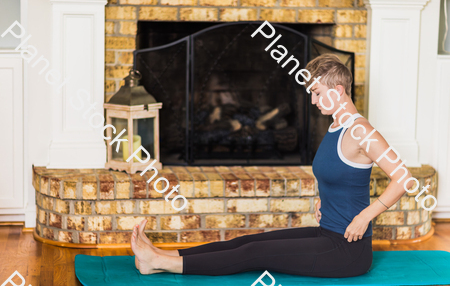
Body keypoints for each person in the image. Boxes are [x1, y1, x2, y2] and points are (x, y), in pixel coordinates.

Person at [131, 54, 415, 277]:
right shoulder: (335, 127)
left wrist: (365, 216)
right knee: (248, 242)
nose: (313, 101)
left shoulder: (361, 130)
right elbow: (340, 175)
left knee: (254, 253)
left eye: (316, 93)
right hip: (326, 232)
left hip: (347, 251)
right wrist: (323, 200)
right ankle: (166, 255)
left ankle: (159, 263)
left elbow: (403, 177)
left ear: (338, 91)